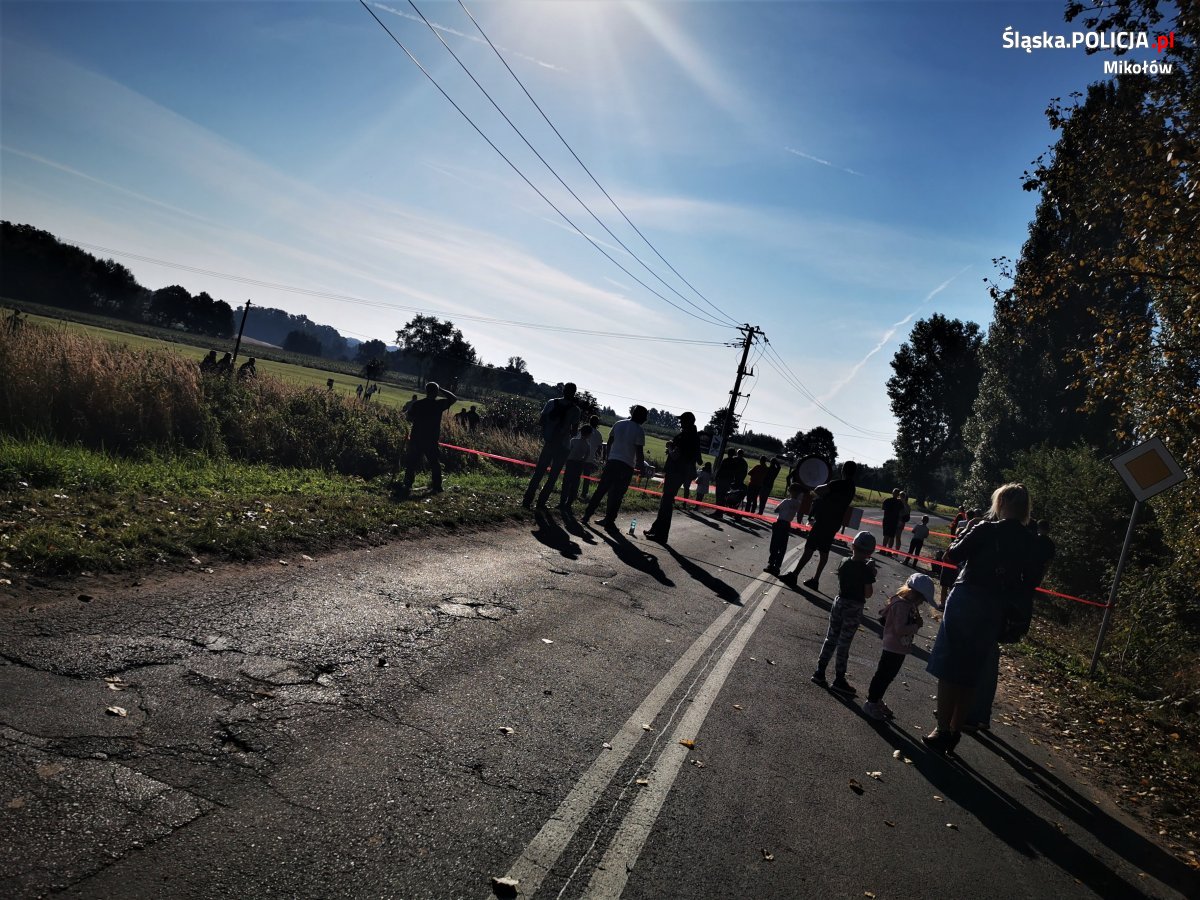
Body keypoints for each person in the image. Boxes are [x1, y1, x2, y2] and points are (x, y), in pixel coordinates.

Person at [924, 483, 1044, 754]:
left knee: (949, 664)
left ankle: (941, 728)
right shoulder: (1030, 541)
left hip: (967, 599)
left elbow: (952, 555)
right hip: (995, 608)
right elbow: (1031, 581)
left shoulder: (985, 529)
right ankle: (955, 730)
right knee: (971, 669)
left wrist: (965, 532)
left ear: (999, 503)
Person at [964, 517, 1058, 732]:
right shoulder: (1037, 550)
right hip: (1012, 609)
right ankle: (978, 713)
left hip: (998, 607)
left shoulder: (1019, 547)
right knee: (988, 657)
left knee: (983, 658)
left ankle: (972, 712)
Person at [811, 530, 877, 696]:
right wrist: (871, 573)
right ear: (871, 552)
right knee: (844, 642)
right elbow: (868, 593)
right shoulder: (867, 570)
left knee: (831, 637)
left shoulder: (844, 562)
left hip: (839, 602)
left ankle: (820, 671)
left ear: (852, 545)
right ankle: (839, 678)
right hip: (854, 607)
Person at [863, 573, 935, 720]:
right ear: (915, 594)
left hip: (898, 647)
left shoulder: (906, 604)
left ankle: (876, 699)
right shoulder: (902, 606)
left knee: (888, 676)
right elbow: (900, 629)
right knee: (883, 675)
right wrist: (916, 626)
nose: (922, 603)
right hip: (894, 646)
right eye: (922, 600)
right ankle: (871, 702)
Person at [779, 461, 859, 590]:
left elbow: (818, 490)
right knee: (824, 551)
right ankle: (815, 580)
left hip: (823, 520)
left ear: (843, 470)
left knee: (809, 548)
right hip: (834, 523)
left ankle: (794, 575)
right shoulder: (851, 487)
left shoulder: (838, 483)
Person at [583, 405, 647, 528]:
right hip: (626, 466)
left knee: (601, 490)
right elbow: (639, 452)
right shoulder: (639, 431)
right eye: (645, 417)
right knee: (617, 495)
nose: (645, 420)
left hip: (612, 462)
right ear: (640, 416)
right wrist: (642, 469)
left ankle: (586, 516)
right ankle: (609, 521)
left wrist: (608, 458)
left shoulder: (618, 424)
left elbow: (610, 442)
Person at [645, 411, 702, 544]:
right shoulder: (694, 436)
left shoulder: (686, 437)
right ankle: (655, 529)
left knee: (666, 503)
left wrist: (670, 447)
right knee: (666, 501)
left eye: (682, 420)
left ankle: (661, 535)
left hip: (676, 472)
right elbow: (694, 457)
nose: (680, 422)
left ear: (688, 422)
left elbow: (676, 456)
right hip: (681, 472)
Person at [522, 383, 581, 509]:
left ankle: (527, 500)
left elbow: (541, 421)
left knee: (538, 472)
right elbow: (575, 433)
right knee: (553, 476)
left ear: (563, 390)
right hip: (563, 446)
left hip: (549, 443)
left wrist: (549, 431)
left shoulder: (551, 402)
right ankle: (541, 503)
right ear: (574, 393)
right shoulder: (576, 410)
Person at [400, 381, 458, 496]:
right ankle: (437, 486)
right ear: (436, 392)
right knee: (434, 463)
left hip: (417, 437)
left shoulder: (417, 404)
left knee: (412, 462)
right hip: (431, 439)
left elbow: (409, 417)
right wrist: (441, 388)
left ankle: (408, 484)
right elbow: (453, 398)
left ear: (426, 391)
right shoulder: (438, 404)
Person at [764, 482, 804, 574]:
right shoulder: (798, 503)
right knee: (782, 547)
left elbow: (776, 510)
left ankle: (771, 564)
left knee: (774, 545)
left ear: (791, 491)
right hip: (787, 525)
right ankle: (777, 567)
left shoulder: (786, 501)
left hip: (780, 523)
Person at [558, 424, 593, 509]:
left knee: (566, 482)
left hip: (570, 463)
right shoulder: (588, 445)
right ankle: (569, 503)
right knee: (575, 484)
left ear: (580, 431)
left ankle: (562, 502)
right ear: (589, 434)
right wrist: (582, 461)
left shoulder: (573, 440)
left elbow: (568, 451)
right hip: (579, 464)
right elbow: (587, 456)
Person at [580, 415, 604, 501]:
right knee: (586, 477)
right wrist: (598, 459)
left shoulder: (583, 429)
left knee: (575, 475)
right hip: (589, 459)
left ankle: (572, 492)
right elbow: (599, 449)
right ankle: (584, 494)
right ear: (597, 423)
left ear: (589, 421)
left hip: (579, 457)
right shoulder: (598, 434)